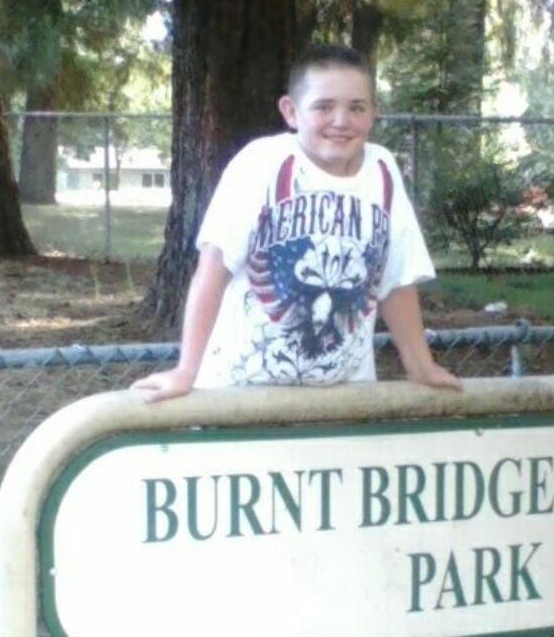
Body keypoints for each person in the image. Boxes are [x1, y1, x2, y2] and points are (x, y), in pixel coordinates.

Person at [132, 45, 461, 401]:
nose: (341, 120)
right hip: (240, 397)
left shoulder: (382, 171)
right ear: (291, 111)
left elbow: (395, 280)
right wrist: (186, 371)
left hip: (342, 400)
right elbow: (213, 268)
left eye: (356, 107)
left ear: (373, 113)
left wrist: (420, 366)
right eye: (323, 106)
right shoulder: (260, 163)